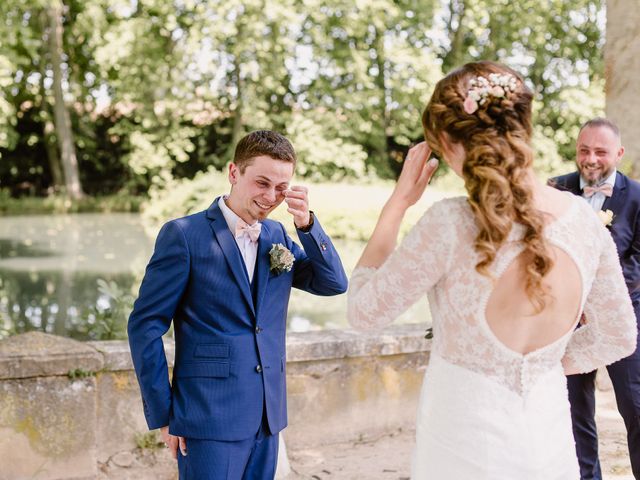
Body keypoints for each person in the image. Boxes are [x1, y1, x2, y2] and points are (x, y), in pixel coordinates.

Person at [347, 61, 637, 479]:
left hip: (460, 442)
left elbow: (363, 313)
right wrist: (546, 363)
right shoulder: (586, 222)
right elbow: (618, 335)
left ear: (447, 141)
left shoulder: (449, 223)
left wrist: (396, 205)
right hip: (547, 439)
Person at [128, 130, 348, 480]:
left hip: (267, 416)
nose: (271, 196)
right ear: (234, 173)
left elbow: (334, 283)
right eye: (262, 183)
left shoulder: (277, 235)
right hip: (206, 417)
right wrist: (166, 415)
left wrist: (307, 224)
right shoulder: (183, 235)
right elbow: (145, 326)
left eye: (281, 187)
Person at [551, 118, 640, 480]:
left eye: (600, 151)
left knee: (635, 404)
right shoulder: (555, 189)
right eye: (584, 150)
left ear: (618, 153)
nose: (590, 159)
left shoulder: (636, 197)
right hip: (565, 322)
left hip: (623, 316)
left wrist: (598, 302)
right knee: (574, 409)